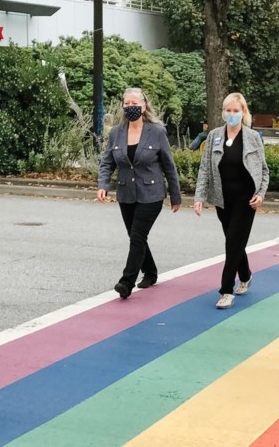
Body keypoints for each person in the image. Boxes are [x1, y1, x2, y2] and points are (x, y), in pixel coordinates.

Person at [98, 88, 182, 300]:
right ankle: (151, 272)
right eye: (126, 103)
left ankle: (127, 281)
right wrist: (103, 184)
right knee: (135, 236)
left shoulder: (157, 131)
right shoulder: (116, 132)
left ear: (144, 106)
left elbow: (168, 166)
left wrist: (175, 195)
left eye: (134, 103)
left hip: (151, 193)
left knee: (137, 236)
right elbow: (107, 161)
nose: (130, 107)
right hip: (126, 193)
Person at [193, 93, 269, 310]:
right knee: (234, 241)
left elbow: (264, 170)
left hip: (246, 200)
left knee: (232, 243)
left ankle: (226, 291)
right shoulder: (215, 136)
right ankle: (245, 274)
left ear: (243, 113)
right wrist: (199, 196)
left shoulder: (253, 137)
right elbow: (205, 169)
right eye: (228, 110)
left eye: (236, 111)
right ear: (223, 112)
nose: (232, 114)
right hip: (223, 199)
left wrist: (261, 194)